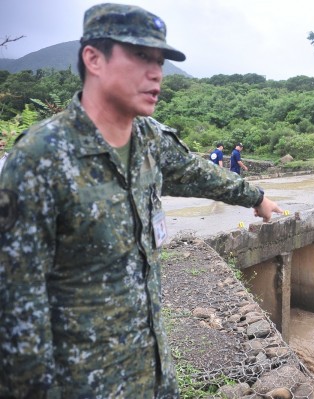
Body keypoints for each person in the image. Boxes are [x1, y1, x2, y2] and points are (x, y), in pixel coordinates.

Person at [0, 4, 282, 398]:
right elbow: (16, 312)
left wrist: (257, 197)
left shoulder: (148, 139)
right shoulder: (39, 159)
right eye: (140, 57)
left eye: (160, 61)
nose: (156, 73)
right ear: (93, 58)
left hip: (153, 373)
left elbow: (198, 173)